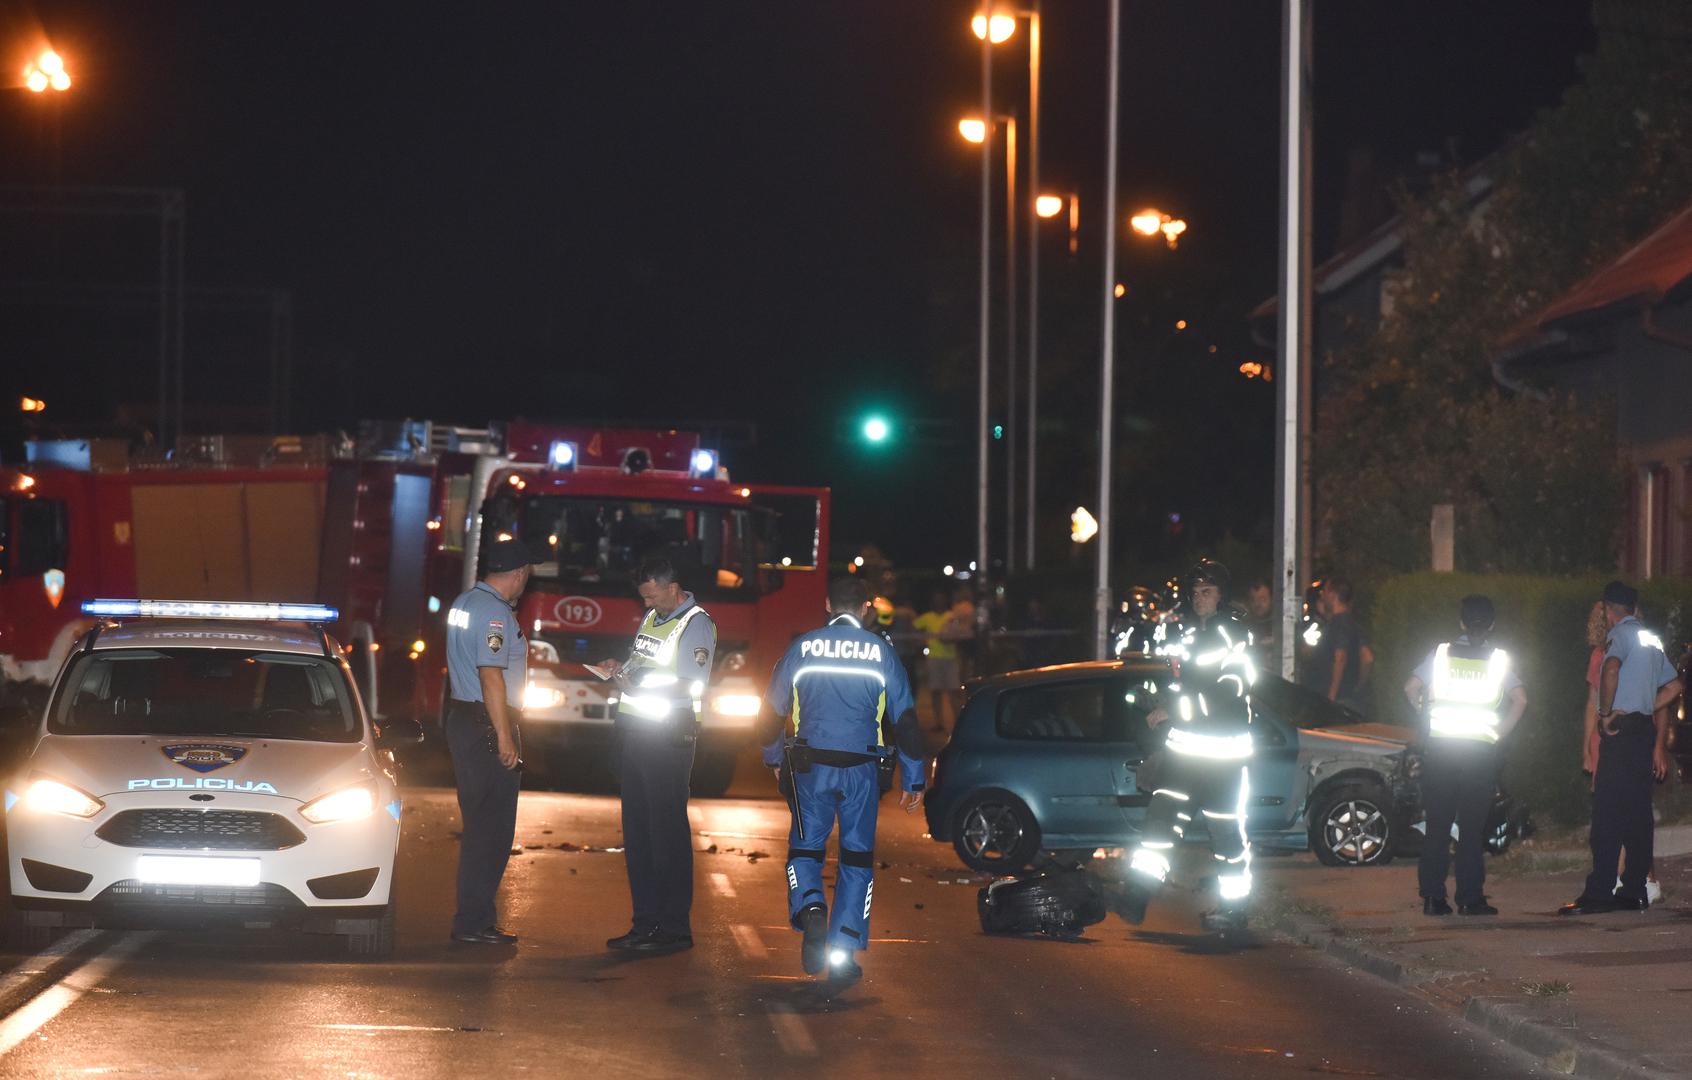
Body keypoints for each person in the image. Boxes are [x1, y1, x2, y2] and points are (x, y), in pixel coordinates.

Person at [759, 576, 927, 987]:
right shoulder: (881, 652)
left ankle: (811, 907)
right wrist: (914, 777)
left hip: (809, 767)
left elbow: (770, 713)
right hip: (862, 771)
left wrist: (773, 758)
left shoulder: (802, 647)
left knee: (805, 850)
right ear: (866, 608)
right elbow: (905, 720)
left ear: (828, 604)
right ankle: (842, 952)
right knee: (856, 859)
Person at [1124, 558, 1257, 931]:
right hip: (1184, 754)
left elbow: (1230, 691)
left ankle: (1234, 910)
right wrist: (1154, 699)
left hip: (1222, 758)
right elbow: (1180, 684)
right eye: (1195, 592)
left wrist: (1174, 711)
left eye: (1207, 592)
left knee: (1226, 838)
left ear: (1221, 595)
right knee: (1160, 822)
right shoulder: (1188, 635)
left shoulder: (1234, 635)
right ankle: (1136, 895)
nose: (1199, 598)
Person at [601, 558, 716, 954]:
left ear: (673, 587)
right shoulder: (653, 617)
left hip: (668, 739)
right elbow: (643, 663)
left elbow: (690, 683)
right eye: (644, 597)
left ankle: (673, 928)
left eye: (652, 596)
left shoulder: (696, 623)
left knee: (666, 835)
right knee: (638, 835)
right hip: (636, 734)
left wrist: (638, 687)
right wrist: (619, 669)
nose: (647, 603)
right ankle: (645, 924)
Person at [1402, 595, 1526, 917]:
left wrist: (1425, 715)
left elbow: (1410, 688)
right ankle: (1470, 899)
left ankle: (1433, 898)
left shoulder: (1441, 655)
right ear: (1492, 625)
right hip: (1479, 753)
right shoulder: (1498, 660)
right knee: (1472, 829)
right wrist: (1499, 733)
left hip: (1442, 750)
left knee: (1438, 825)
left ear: (1461, 622)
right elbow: (1520, 700)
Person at [1562, 581, 1680, 915]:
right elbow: (1674, 685)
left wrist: (1606, 714)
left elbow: (1611, 669)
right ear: (1633, 607)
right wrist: (1646, 705)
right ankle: (1634, 891)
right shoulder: (1650, 638)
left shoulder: (1619, 635)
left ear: (1608, 610)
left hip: (1621, 732)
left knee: (1607, 814)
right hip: (1643, 732)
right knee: (1638, 814)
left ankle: (1599, 893)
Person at [443, 536, 537, 945]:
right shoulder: (495, 613)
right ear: (518, 574)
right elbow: (491, 675)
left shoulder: (464, 602)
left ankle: (474, 919)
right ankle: (474, 923)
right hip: (487, 724)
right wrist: (504, 737)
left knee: (479, 825)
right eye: (527, 575)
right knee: (492, 830)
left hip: (464, 719)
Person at [1316, 578, 1372, 712]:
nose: (1322, 596)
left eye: (1324, 592)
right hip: (1350, 698)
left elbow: (1340, 658)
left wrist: (1332, 696)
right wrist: (1358, 685)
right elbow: (1368, 658)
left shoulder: (1339, 623)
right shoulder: (1353, 623)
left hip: (1336, 700)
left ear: (1332, 594)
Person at [914, 591, 961, 732]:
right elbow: (913, 627)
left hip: (950, 658)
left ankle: (959, 722)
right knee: (936, 691)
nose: (938, 602)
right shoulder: (928, 617)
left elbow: (958, 634)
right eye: (936, 599)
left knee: (954, 691)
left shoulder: (951, 616)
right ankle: (939, 723)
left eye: (941, 599)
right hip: (934, 658)